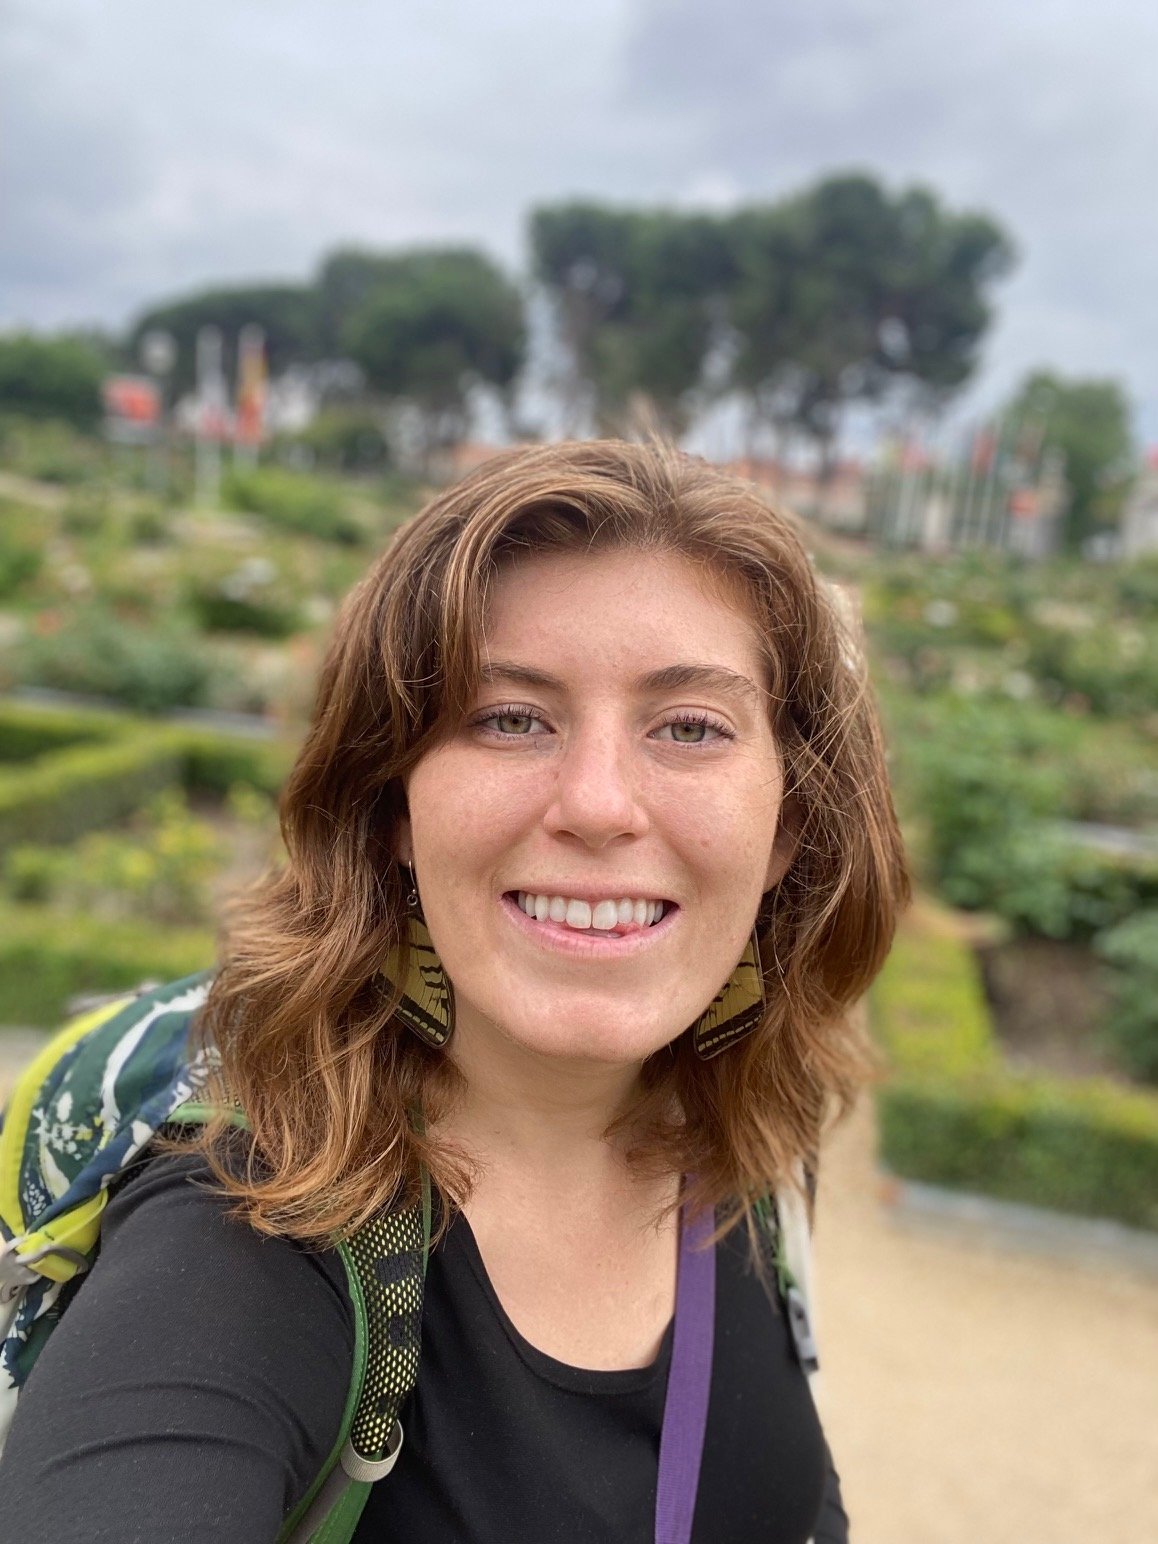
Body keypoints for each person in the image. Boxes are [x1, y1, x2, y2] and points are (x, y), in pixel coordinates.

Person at [0, 438, 908, 1541]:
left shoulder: (751, 1130)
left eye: (689, 726)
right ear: (392, 805)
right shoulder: (248, 1230)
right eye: (510, 716)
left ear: (789, 824)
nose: (598, 804)